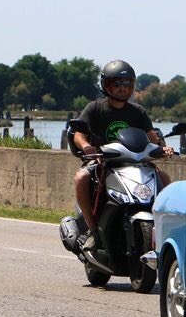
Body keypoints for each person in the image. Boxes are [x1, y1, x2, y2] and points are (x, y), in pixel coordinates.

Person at [72, 59, 174, 249]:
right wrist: (87, 147)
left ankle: (163, 227)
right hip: (103, 162)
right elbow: (79, 134)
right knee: (81, 178)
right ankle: (92, 230)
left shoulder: (138, 111)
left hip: (134, 162)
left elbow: (152, 137)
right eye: (116, 84)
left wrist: (163, 147)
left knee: (164, 178)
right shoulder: (95, 108)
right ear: (106, 85)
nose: (122, 89)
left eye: (127, 85)